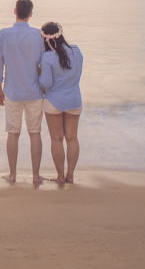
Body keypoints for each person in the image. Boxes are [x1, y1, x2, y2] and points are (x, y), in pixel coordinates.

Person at [0, 0, 45, 184]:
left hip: (13, 91)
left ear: (14, 11)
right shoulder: (38, 35)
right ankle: (36, 176)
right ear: (30, 14)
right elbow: (44, 63)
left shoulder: (3, 34)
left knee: (13, 133)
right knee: (35, 133)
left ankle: (13, 174)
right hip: (34, 91)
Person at [38, 21, 83, 184]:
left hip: (54, 102)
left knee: (56, 139)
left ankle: (60, 176)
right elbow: (78, 74)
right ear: (61, 34)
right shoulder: (76, 51)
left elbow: (47, 84)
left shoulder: (47, 57)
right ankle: (70, 175)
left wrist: (38, 74)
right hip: (74, 100)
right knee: (72, 138)